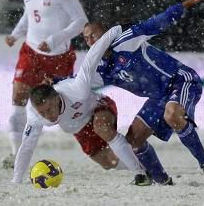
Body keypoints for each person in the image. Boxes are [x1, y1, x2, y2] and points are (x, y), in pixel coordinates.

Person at [82, 0, 204, 183]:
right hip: (158, 97)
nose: (90, 41)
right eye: (86, 39)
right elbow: (79, 83)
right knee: (133, 142)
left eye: (94, 35)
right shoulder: (102, 70)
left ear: (106, 34)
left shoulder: (126, 39)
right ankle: (162, 180)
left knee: (172, 114)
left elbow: (159, 21)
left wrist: (189, 2)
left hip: (180, 80)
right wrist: (55, 83)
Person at [11, 25, 151, 185]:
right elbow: (27, 147)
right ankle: (145, 167)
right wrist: (16, 180)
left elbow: (93, 55)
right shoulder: (34, 116)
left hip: (97, 107)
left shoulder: (76, 88)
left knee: (101, 127)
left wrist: (116, 30)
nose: (48, 116)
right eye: (43, 113)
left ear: (56, 98)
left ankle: (140, 174)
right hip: (77, 127)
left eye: (49, 109)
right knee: (109, 163)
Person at [3, 0, 88, 168]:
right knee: (18, 98)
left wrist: (53, 40)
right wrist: (15, 34)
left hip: (59, 58)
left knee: (61, 109)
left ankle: (94, 143)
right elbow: (28, 14)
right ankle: (16, 154)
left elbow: (80, 21)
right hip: (30, 53)